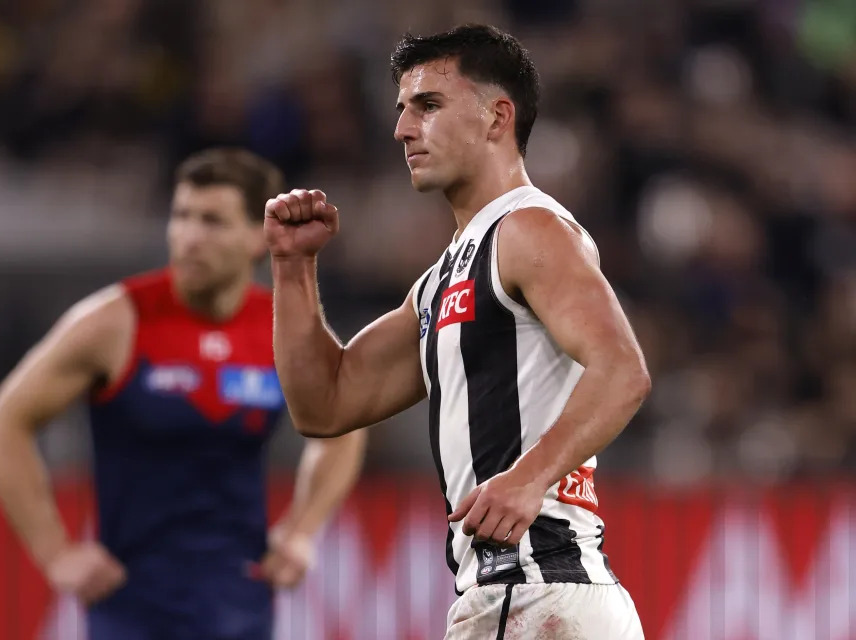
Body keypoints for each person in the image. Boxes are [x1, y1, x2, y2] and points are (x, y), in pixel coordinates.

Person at [264, 24, 649, 639]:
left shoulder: (528, 230)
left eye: (429, 105)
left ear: (498, 117)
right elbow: (325, 403)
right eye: (400, 110)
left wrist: (529, 477)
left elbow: (623, 369)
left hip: (534, 590)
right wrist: (292, 266)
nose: (402, 129)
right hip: (527, 596)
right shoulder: (445, 276)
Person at [0, 148, 366, 640]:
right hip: (129, 600)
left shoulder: (280, 328)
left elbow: (344, 422)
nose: (189, 236)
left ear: (256, 237)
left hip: (239, 597)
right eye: (181, 216)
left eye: (212, 221)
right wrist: (55, 553)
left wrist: (303, 530)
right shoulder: (114, 322)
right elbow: (5, 425)